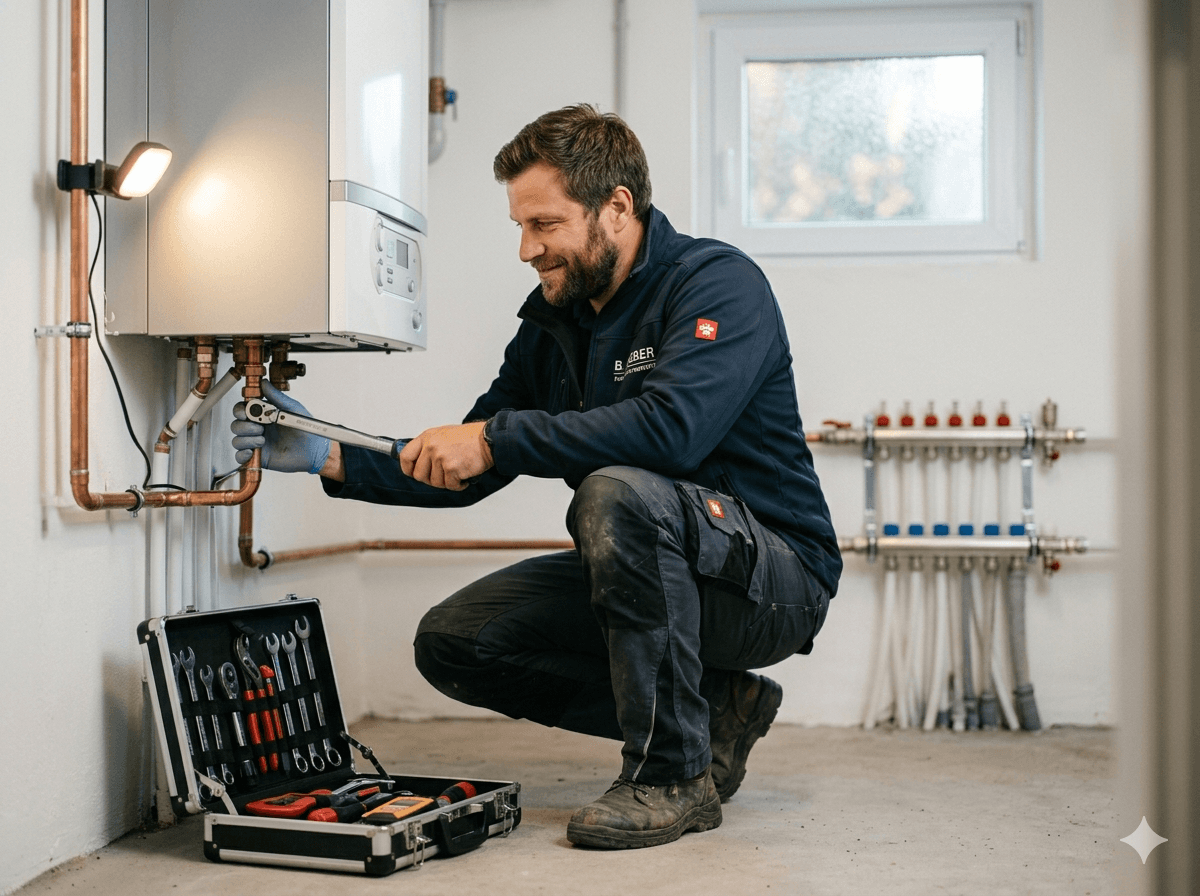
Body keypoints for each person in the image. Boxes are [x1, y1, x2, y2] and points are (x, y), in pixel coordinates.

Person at [232, 104, 841, 850]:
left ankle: (672, 777)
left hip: (773, 580)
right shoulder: (556, 326)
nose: (527, 249)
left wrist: (496, 439)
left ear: (616, 207)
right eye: (520, 226)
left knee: (617, 492)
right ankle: (716, 713)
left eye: (544, 224)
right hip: (655, 564)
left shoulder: (715, 284)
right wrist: (329, 453)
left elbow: (673, 431)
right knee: (458, 641)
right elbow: (470, 460)